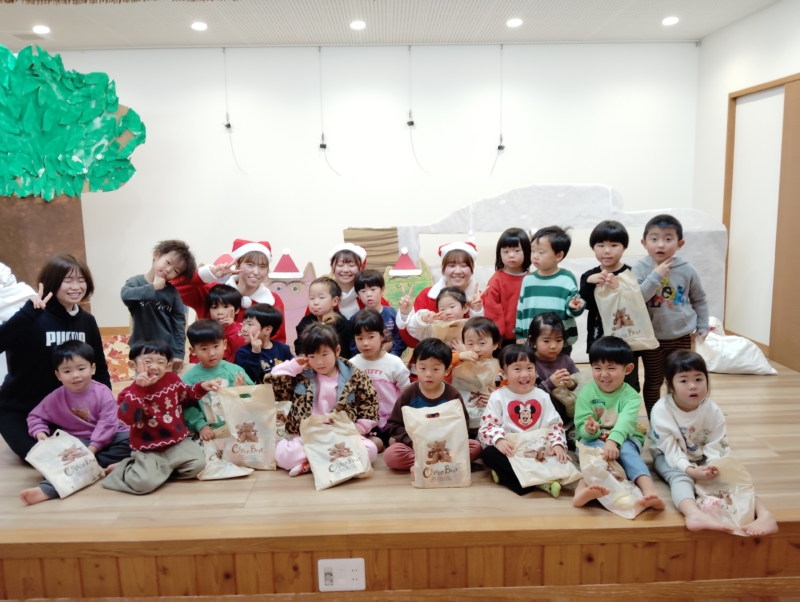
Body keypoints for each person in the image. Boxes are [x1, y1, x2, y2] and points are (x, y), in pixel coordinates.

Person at [650, 350, 778, 535]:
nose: (693, 386)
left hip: (702, 456)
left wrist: (715, 466)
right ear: (670, 385)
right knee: (680, 479)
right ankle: (693, 514)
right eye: (684, 380)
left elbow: (718, 444)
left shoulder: (713, 410)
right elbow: (669, 448)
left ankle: (764, 514)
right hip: (669, 456)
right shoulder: (661, 410)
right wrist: (690, 470)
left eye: (699, 379)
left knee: (731, 476)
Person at [0, 254, 111, 461]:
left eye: (81, 280)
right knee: (48, 459)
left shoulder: (87, 321)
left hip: (69, 411)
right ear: (52, 282)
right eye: (68, 280)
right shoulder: (30, 316)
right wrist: (26, 315)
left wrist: (107, 407)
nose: (76, 287)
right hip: (21, 410)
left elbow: (100, 369)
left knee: (100, 449)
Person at [102, 340, 221, 495]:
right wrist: (139, 388)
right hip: (148, 449)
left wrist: (202, 387)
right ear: (133, 365)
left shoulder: (172, 380)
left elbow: (186, 397)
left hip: (177, 442)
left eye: (160, 362)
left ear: (168, 365)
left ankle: (157, 472)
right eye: (147, 361)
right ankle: (127, 466)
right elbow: (128, 418)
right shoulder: (129, 392)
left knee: (198, 466)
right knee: (142, 484)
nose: (154, 366)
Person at [20, 340, 131, 505]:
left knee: (135, 440)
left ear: (92, 368)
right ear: (58, 375)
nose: (75, 375)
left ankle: (91, 465)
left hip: (111, 437)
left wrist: (91, 450)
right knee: (59, 458)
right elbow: (35, 416)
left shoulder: (103, 392)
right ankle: (47, 488)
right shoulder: (55, 397)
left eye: (81, 368)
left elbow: (107, 425)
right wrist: (40, 433)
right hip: (77, 443)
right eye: (67, 371)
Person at [268, 323, 379, 476]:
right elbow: (274, 384)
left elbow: (369, 402)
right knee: (285, 457)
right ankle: (326, 462)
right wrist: (294, 366)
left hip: (340, 433)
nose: (319, 362)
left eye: (324, 355)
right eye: (312, 356)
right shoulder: (301, 374)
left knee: (370, 451)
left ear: (337, 350)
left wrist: (361, 426)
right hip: (309, 433)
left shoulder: (353, 375)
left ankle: (311, 464)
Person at [572, 337, 665, 511]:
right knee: (592, 457)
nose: (604, 374)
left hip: (624, 438)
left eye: (611, 368)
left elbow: (625, 422)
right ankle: (581, 491)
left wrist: (613, 441)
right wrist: (589, 430)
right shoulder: (586, 392)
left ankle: (650, 492)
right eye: (597, 368)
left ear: (627, 369)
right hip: (594, 439)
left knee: (629, 454)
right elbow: (582, 424)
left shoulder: (631, 395)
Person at [632, 215, 709, 417]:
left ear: (680, 243)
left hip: (682, 335)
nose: (661, 244)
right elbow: (637, 300)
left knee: (679, 379)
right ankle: (655, 420)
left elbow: (699, 299)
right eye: (654, 238)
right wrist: (656, 275)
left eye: (668, 239)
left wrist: (703, 325)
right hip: (652, 339)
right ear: (644, 243)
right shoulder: (640, 269)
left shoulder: (686, 269)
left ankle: (677, 416)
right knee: (654, 381)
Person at [479, 344, 568, 497]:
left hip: (537, 450)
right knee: (488, 454)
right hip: (511, 451)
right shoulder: (498, 397)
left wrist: (558, 445)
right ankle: (538, 482)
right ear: (504, 373)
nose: (525, 374)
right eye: (517, 369)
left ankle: (511, 476)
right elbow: (488, 426)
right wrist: (499, 440)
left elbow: (554, 425)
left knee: (561, 459)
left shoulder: (542, 396)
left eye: (529, 368)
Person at [384, 338, 482, 470]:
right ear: (415, 368)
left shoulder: (452, 395)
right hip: (416, 445)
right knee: (391, 454)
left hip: (445, 446)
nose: (428, 374)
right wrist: (411, 441)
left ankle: (426, 463)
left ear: (447, 370)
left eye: (435, 369)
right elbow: (395, 424)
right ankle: (440, 463)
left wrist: (449, 443)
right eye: (423, 368)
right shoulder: (409, 393)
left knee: (475, 447)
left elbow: (462, 425)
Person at [175, 239, 287, 343]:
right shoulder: (213, 292)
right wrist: (209, 273)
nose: (256, 272)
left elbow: (277, 343)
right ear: (237, 265)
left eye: (262, 266)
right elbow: (174, 289)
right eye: (250, 265)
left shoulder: (272, 301)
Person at [579, 220, 640, 392]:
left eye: (614, 245)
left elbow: (637, 305)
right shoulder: (589, 275)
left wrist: (618, 288)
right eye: (600, 245)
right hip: (599, 337)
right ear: (593, 247)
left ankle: (628, 408)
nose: (607, 250)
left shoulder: (631, 273)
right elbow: (586, 304)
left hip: (628, 338)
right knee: (602, 379)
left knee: (629, 379)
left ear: (624, 247)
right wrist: (589, 283)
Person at [121, 240, 197, 371]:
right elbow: (126, 296)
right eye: (168, 262)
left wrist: (178, 352)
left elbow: (179, 323)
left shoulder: (172, 293)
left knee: (164, 380)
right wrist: (154, 287)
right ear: (156, 254)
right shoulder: (136, 282)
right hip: (140, 348)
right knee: (143, 378)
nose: (168, 270)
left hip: (164, 349)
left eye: (175, 270)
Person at [399, 241, 485, 348]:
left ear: (472, 269)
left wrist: (477, 312)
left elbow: (487, 338)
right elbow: (411, 341)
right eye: (452, 265)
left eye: (464, 265)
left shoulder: (481, 298)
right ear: (443, 269)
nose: (458, 271)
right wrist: (406, 313)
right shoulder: (426, 296)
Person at [514, 226, 585, 354]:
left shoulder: (566, 278)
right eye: (533, 251)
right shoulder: (528, 280)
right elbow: (521, 309)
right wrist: (519, 334)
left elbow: (573, 305)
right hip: (533, 343)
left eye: (541, 252)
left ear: (558, 255)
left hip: (559, 343)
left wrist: (575, 307)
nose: (535, 256)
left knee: (562, 366)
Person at [350, 309, 411, 452]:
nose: (365, 343)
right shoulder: (352, 365)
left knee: (395, 444)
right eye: (360, 338)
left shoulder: (394, 363)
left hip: (394, 420)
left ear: (382, 335)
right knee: (375, 445)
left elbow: (406, 394)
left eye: (371, 337)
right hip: (367, 422)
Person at [182, 320, 252, 441]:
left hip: (239, 428)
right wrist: (201, 426)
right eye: (204, 349)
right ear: (193, 351)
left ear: (224, 344)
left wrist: (243, 389)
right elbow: (188, 407)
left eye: (216, 346)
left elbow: (253, 399)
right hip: (210, 433)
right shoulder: (189, 378)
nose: (211, 353)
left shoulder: (235, 371)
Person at [449, 316, 502, 432]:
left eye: (482, 343)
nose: (476, 348)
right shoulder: (460, 361)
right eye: (470, 343)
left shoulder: (501, 366)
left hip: (490, 421)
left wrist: (496, 397)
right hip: (461, 419)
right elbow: (442, 366)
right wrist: (460, 355)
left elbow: (509, 390)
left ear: (495, 344)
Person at [527, 312, 579, 423]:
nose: (553, 346)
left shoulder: (566, 360)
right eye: (546, 341)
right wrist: (550, 383)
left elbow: (580, 386)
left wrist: (571, 383)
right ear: (533, 340)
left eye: (559, 340)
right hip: (538, 418)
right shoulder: (528, 363)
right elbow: (527, 394)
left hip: (566, 417)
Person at [484, 228, 532, 347]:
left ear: (527, 251)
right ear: (499, 254)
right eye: (505, 252)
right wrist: (497, 335)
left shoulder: (532, 279)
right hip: (504, 339)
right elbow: (492, 310)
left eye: (517, 250)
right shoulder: (496, 280)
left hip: (529, 336)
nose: (511, 255)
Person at [294, 277, 354, 359]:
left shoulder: (342, 324)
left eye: (321, 298)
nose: (315, 302)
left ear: (334, 301)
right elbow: (299, 345)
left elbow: (344, 352)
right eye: (312, 298)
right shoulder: (306, 321)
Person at [351, 269, 405, 357]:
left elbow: (400, 339)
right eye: (363, 291)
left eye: (373, 289)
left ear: (382, 290)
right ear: (358, 295)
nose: (368, 294)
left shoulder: (393, 314)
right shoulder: (355, 319)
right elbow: (353, 345)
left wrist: (392, 348)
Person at [187, 284, 246, 365]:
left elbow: (242, 350)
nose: (220, 312)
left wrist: (231, 327)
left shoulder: (242, 329)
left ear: (236, 310)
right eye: (214, 307)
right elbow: (195, 355)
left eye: (225, 307)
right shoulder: (205, 329)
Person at [235, 303, 294, 384]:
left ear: (267, 330)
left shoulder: (283, 349)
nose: (244, 329)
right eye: (243, 324)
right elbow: (248, 379)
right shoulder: (242, 352)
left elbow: (292, 372)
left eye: (250, 324)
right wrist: (255, 353)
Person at [397, 287, 472, 342]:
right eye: (442, 309)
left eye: (452, 307)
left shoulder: (472, 327)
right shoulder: (435, 328)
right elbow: (412, 329)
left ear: (465, 308)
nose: (447, 312)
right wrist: (423, 319)